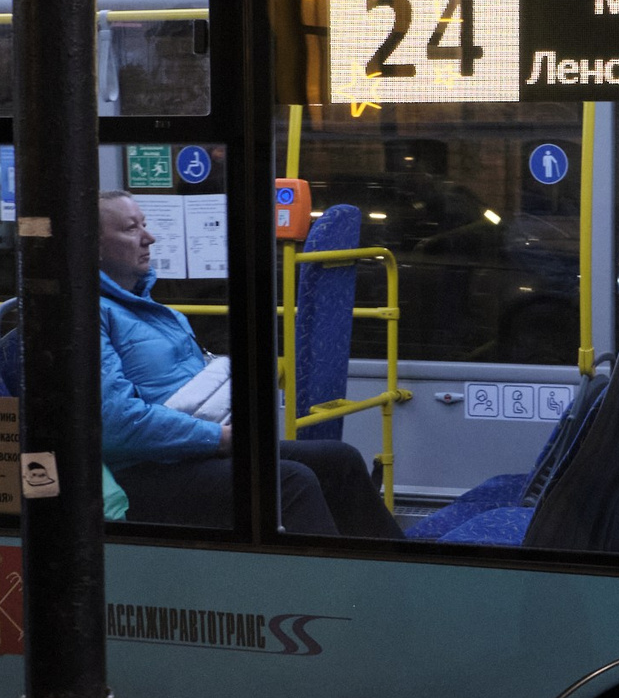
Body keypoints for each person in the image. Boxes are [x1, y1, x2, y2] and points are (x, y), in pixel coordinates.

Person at [98, 190, 399, 537]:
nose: (149, 237)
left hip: (190, 449)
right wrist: (220, 438)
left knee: (338, 459)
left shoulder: (160, 312)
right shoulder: (91, 314)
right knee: (291, 481)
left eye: (145, 225)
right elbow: (116, 422)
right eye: (130, 229)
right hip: (143, 470)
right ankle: (331, 587)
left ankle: (397, 572)